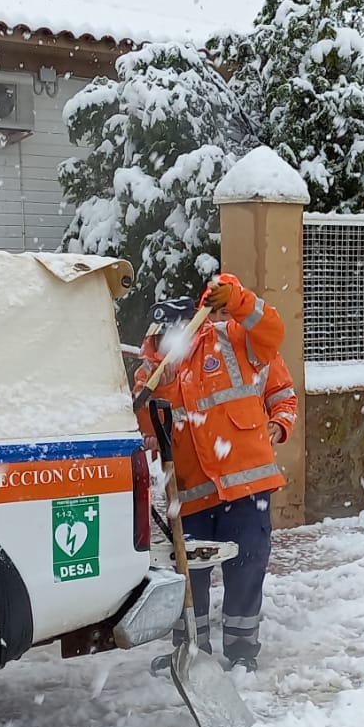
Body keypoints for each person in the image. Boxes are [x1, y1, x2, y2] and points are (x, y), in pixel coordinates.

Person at [135, 274, 289, 672]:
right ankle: (191, 651)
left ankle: (241, 651)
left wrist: (237, 298)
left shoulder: (233, 340)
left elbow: (272, 331)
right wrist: (163, 390)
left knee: (247, 566)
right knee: (188, 573)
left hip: (246, 482)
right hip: (189, 492)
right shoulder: (154, 366)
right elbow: (144, 425)